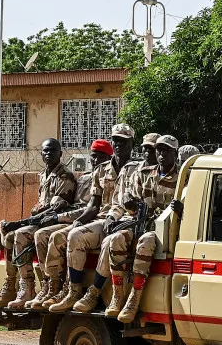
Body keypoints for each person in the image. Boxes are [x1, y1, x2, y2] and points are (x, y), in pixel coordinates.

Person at [0, 139, 76, 319]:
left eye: (53, 150)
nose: (49, 154)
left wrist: (19, 223)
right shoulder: (43, 175)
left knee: (14, 235)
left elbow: (53, 211)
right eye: (45, 151)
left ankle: (20, 286)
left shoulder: (65, 176)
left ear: (60, 154)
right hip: (32, 221)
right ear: (41, 154)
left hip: (47, 224)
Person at [81, 134, 181, 322]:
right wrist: (130, 203)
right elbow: (129, 202)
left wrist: (180, 209)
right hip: (138, 224)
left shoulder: (182, 179)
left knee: (145, 241)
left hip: (161, 232)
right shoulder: (143, 174)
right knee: (116, 238)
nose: (161, 154)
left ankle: (134, 297)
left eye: (167, 150)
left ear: (175, 153)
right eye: (159, 150)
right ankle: (118, 295)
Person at [48, 124, 142, 313]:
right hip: (102, 220)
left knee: (109, 241)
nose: (118, 145)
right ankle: (72, 291)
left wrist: (115, 218)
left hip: (126, 220)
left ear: (132, 143)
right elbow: (93, 204)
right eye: (115, 140)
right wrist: (79, 221)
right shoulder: (101, 170)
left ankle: (94, 292)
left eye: (123, 141)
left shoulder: (138, 169)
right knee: (74, 235)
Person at [24, 139, 113, 310]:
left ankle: (70, 289)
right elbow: (75, 205)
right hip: (75, 218)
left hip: (92, 220)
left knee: (59, 236)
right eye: (93, 156)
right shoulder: (85, 178)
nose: (95, 161)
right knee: (41, 235)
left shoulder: (111, 177)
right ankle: (50, 285)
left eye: (101, 157)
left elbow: (90, 209)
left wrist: (60, 218)